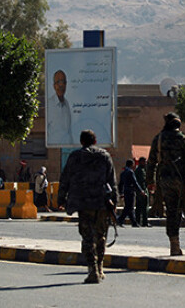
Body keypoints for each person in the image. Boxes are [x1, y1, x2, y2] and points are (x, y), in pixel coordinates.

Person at [58, 129, 117, 284]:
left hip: (83, 203)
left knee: (88, 238)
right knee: (101, 236)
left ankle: (93, 270)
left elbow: (65, 179)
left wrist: (61, 198)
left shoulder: (75, 157)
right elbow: (112, 182)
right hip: (102, 203)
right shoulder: (105, 156)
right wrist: (114, 203)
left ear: (82, 142)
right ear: (95, 141)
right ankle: (100, 267)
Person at [146, 112, 185, 256]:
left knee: (172, 212)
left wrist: (150, 182)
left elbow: (151, 162)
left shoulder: (158, 139)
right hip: (183, 181)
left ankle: (174, 246)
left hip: (165, 181)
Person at [48, 69, 73, 145]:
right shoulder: (49, 104)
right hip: (54, 149)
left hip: (68, 148)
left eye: (63, 82)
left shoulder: (67, 104)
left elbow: (69, 131)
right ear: (54, 86)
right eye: (58, 82)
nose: (61, 85)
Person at [117, 159, 145, 227]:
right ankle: (119, 220)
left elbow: (120, 184)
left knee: (130, 207)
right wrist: (140, 190)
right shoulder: (130, 172)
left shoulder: (123, 173)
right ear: (131, 165)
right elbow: (135, 182)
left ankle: (134, 222)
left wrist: (121, 193)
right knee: (129, 207)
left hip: (125, 191)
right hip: (130, 191)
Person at [134, 157, 150, 227]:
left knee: (144, 207)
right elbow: (139, 182)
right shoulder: (139, 170)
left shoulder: (143, 170)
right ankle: (141, 221)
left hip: (143, 190)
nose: (145, 163)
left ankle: (144, 222)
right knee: (140, 207)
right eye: (144, 162)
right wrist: (141, 191)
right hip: (141, 191)